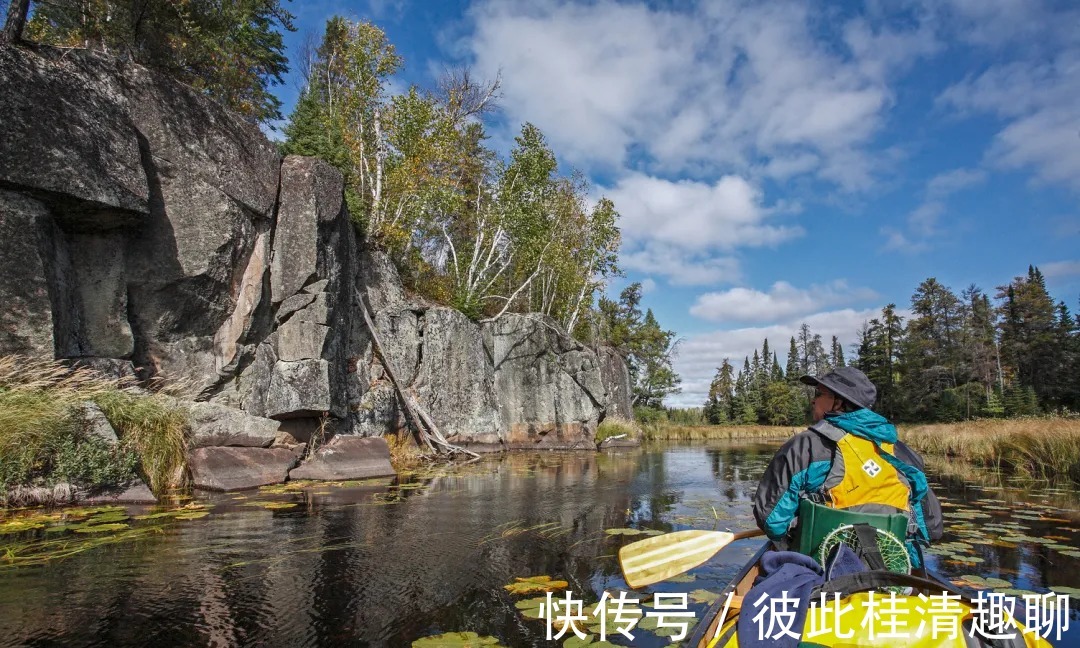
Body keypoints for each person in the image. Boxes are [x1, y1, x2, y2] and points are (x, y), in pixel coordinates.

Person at [752, 366, 943, 566]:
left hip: (819, 573)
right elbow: (932, 529)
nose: (813, 400)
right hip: (892, 575)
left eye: (819, 393)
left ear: (839, 403)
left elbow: (771, 521)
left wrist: (801, 523)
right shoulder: (904, 454)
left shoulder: (804, 447)